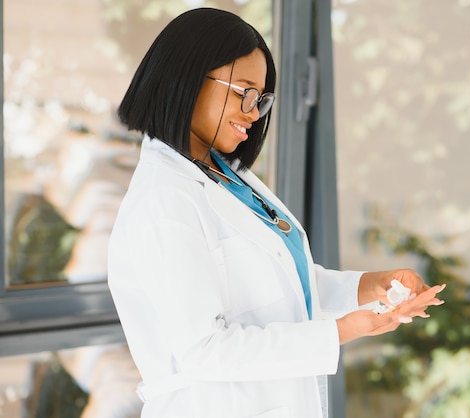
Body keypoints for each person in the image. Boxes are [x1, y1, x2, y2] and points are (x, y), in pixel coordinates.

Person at [107, 7, 446, 418]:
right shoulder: (164, 201)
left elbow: (281, 286)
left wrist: (370, 287)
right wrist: (341, 331)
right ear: (188, 77)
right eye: (243, 91)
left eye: (261, 98)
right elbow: (204, 349)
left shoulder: (221, 175)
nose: (253, 112)